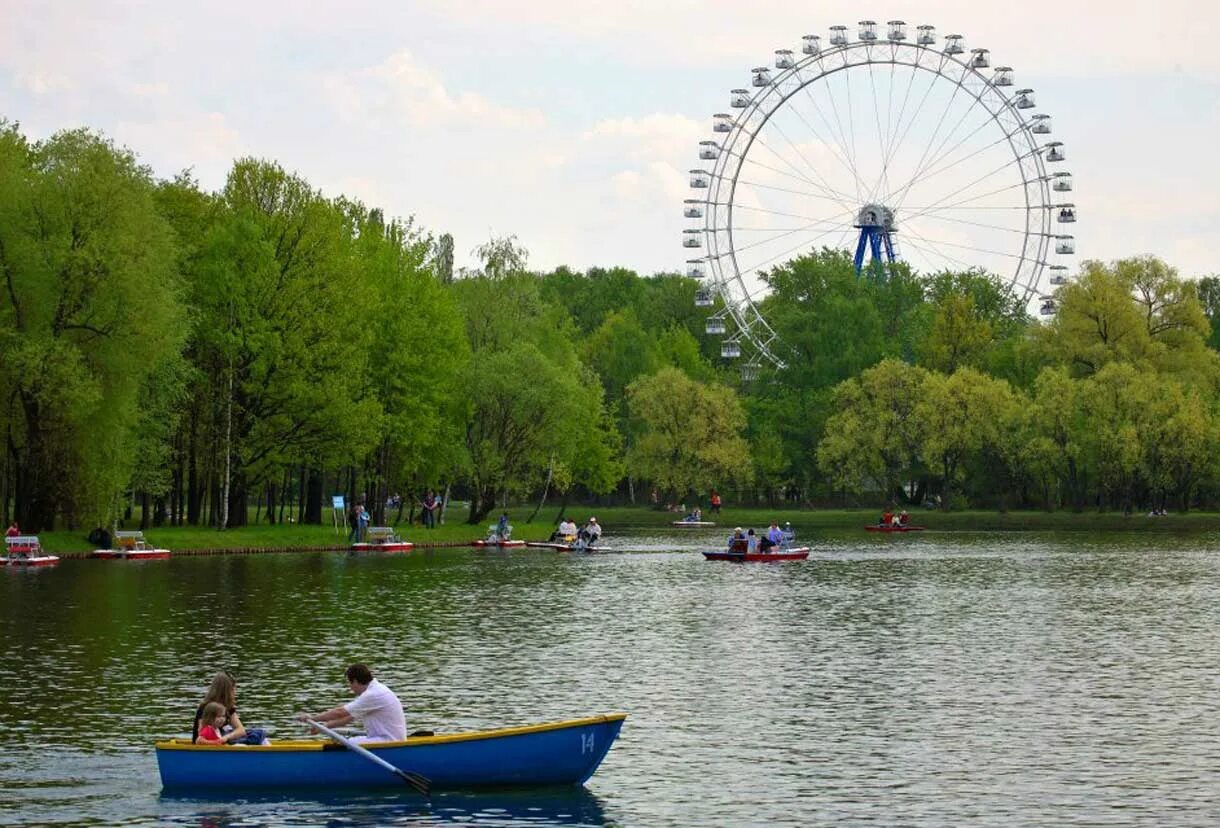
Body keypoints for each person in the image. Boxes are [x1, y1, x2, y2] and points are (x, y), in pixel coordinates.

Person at [296, 663, 406, 743]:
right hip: (385, 739)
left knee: (342, 744)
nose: (350, 688)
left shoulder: (373, 694)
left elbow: (340, 712)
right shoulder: (375, 690)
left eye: (350, 683)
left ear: (355, 681)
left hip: (389, 741)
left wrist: (312, 718)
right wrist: (324, 726)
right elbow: (349, 717)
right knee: (343, 742)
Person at [192, 671, 268, 745]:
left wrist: (227, 737)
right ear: (226, 690)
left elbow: (241, 730)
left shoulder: (228, 706)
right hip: (212, 743)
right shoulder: (206, 708)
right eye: (233, 688)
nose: (235, 691)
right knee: (255, 737)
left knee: (258, 734)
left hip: (223, 738)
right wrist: (220, 740)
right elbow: (201, 734)